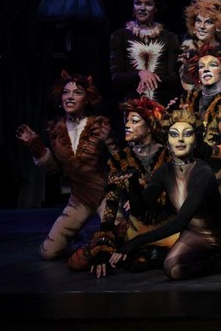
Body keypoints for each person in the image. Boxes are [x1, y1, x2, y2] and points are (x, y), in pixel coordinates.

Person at [108, 109, 221, 280]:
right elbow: (140, 211)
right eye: (174, 134)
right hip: (197, 233)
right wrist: (133, 184)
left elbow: (181, 221)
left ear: (195, 142)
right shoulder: (164, 172)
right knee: (173, 269)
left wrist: (134, 243)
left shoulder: (203, 172)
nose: (180, 139)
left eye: (187, 134)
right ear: (168, 142)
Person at [69, 97, 177, 277]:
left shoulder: (169, 155)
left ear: (150, 126)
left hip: (166, 226)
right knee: (77, 261)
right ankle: (142, 253)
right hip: (136, 226)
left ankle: (148, 253)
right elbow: (111, 203)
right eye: (127, 120)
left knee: (181, 254)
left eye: (134, 121)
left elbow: (168, 201)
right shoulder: (119, 160)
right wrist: (104, 242)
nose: (127, 125)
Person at [16, 71, 117, 262]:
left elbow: (119, 158)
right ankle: (79, 241)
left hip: (105, 195)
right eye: (66, 92)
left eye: (77, 92)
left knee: (121, 244)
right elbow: (55, 169)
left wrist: (123, 191)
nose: (70, 97)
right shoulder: (56, 130)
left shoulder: (99, 126)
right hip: (79, 198)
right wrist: (36, 146)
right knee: (48, 252)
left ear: (86, 99)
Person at [178, 43, 221, 207]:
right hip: (186, 174)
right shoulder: (189, 99)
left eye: (212, 65)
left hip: (214, 176)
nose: (206, 69)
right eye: (201, 66)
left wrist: (197, 148)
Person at [109, 0, 180, 106]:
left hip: (161, 105)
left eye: (148, 4)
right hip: (131, 105)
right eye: (138, 3)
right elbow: (116, 76)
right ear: (132, 6)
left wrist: (151, 76)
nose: (142, 8)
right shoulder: (120, 36)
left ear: (156, 8)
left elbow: (174, 78)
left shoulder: (170, 37)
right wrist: (140, 73)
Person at [179, 0, 221, 99]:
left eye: (208, 22)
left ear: (218, 26)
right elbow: (186, 87)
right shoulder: (187, 50)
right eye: (198, 21)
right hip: (194, 103)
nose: (202, 26)